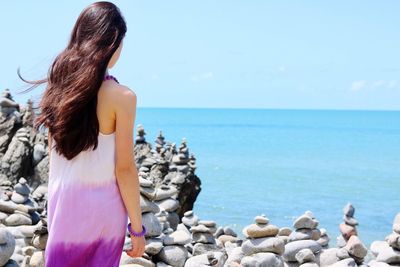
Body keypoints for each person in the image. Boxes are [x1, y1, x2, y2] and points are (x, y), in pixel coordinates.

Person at [18, 1, 145, 266]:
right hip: (104, 213)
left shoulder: (58, 89)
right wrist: (137, 229)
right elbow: (125, 169)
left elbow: (55, 162)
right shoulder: (122, 97)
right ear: (113, 41)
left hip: (64, 208)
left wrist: (54, 211)